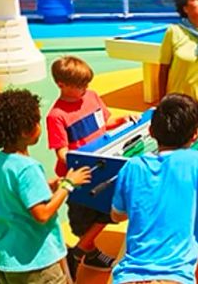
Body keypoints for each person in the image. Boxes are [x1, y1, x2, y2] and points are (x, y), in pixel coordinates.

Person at [111, 93, 198, 284]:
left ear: (151, 131)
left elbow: (117, 215)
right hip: (174, 277)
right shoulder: (196, 162)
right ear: (195, 135)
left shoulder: (133, 166)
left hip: (128, 277)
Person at [47, 56, 138, 278]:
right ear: (62, 85)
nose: (86, 89)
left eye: (87, 84)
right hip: (81, 177)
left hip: (104, 167)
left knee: (110, 211)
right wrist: (82, 161)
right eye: (80, 86)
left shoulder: (92, 96)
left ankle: (80, 251)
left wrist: (123, 119)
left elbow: (103, 124)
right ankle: (88, 251)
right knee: (83, 221)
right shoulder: (56, 116)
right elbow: (62, 153)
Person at [0, 89, 91, 284]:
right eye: (37, 121)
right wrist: (68, 185)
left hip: (5, 258)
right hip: (36, 263)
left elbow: (11, 194)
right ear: (26, 131)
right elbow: (42, 214)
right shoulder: (28, 168)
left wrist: (48, 186)